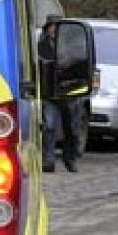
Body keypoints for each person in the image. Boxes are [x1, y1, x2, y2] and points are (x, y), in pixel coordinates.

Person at [38, 16, 81, 173]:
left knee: (72, 128)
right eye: (51, 27)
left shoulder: (71, 48)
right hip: (49, 95)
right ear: (47, 29)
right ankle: (48, 160)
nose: (54, 30)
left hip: (68, 93)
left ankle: (70, 159)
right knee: (49, 126)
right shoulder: (40, 47)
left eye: (57, 27)